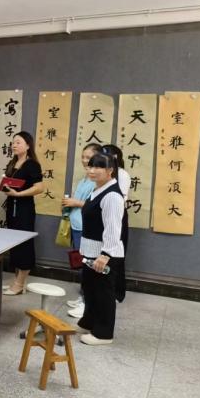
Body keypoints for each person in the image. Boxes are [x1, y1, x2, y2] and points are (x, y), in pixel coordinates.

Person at [78, 151, 125, 345]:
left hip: (104, 254)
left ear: (110, 170)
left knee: (103, 293)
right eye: (90, 166)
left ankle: (104, 334)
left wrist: (105, 255)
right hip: (91, 250)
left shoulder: (112, 195)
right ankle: (90, 322)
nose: (92, 170)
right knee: (90, 289)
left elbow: (113, 228)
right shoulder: (97, 189)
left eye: (98, 167)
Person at [62, 143, 103, 318]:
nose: (85, 161)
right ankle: (84, 297)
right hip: (77, 225)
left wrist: (75, 203)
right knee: (81, 265)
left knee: (88, 266)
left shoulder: (98, 181)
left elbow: (96, 205)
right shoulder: (84, 179)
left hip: (87, 228)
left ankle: (88, 304)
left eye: (89, 157)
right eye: (83, 157)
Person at [2, 131, 44, 295]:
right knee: (14, 244)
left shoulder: (32, 164)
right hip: (11, 207)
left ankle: (19, 284)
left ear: (28, 145)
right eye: (13, 142)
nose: (14, 145)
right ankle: (17, 282)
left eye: (18, 142)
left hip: (24, 209)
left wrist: (19, 194)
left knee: (24, 245)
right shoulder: (13, 162)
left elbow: (39, 188)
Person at [102, 144, 131, 303]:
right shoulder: (100, 173)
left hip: (117, 216)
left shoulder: (122, 174)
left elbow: (120, 198)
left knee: (114, 254)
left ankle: (115, 292)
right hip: (101, 215)